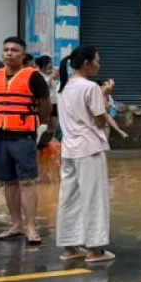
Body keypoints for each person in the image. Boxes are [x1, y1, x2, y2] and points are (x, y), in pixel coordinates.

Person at [0, 37, 51, 246]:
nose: (9, 53)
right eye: (6, 50)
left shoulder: (34, 77)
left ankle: (31, 226)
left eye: (15, 50)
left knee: (27, 182)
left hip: (23, 136)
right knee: (9, 182)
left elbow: (45, 106)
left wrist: (37, 127)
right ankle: (16, 224)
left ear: (23, 55)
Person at [55, 48, 114, 263]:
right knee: (94, 198)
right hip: (89, 148)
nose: (99, 65)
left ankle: (70, 247)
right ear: (87, 63)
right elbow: (99, 120)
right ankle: (94, 249)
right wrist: (104, 97)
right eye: (97, 61)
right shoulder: (91, 87)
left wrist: (103, 95)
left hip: (69, 148)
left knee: (68, 197)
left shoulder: (62, 86)